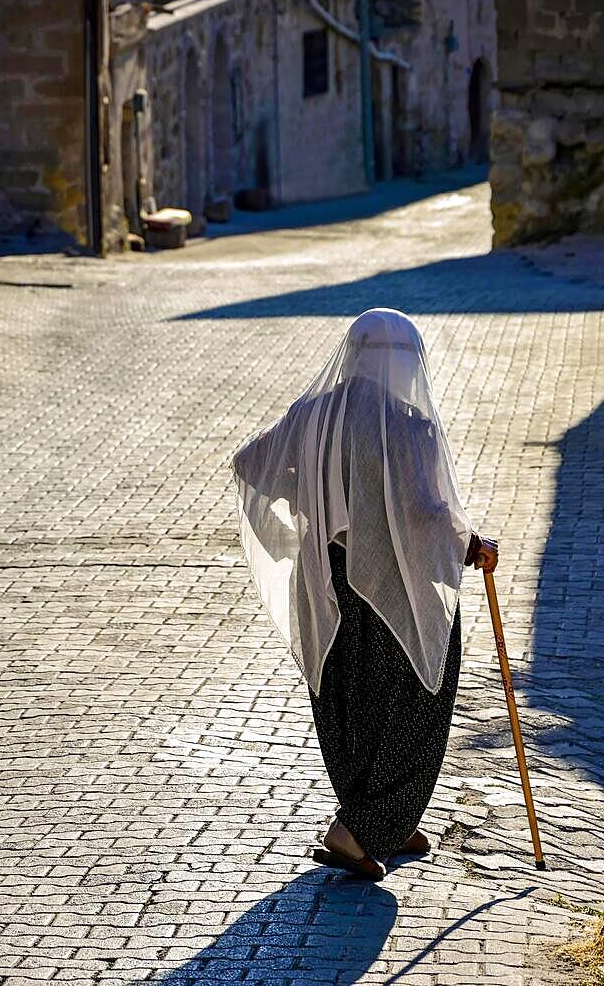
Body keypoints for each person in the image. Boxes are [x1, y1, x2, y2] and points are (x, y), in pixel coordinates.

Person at [231, 308, 498, 880]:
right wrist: (472, 545)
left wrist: (304, 509)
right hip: (391, 591)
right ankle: (355, 830)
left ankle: (389, 820)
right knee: (420, 693)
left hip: (327, 583)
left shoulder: (314, 416)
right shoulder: (409, 426)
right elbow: (427, 515)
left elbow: (251, 464)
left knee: (350, 701)